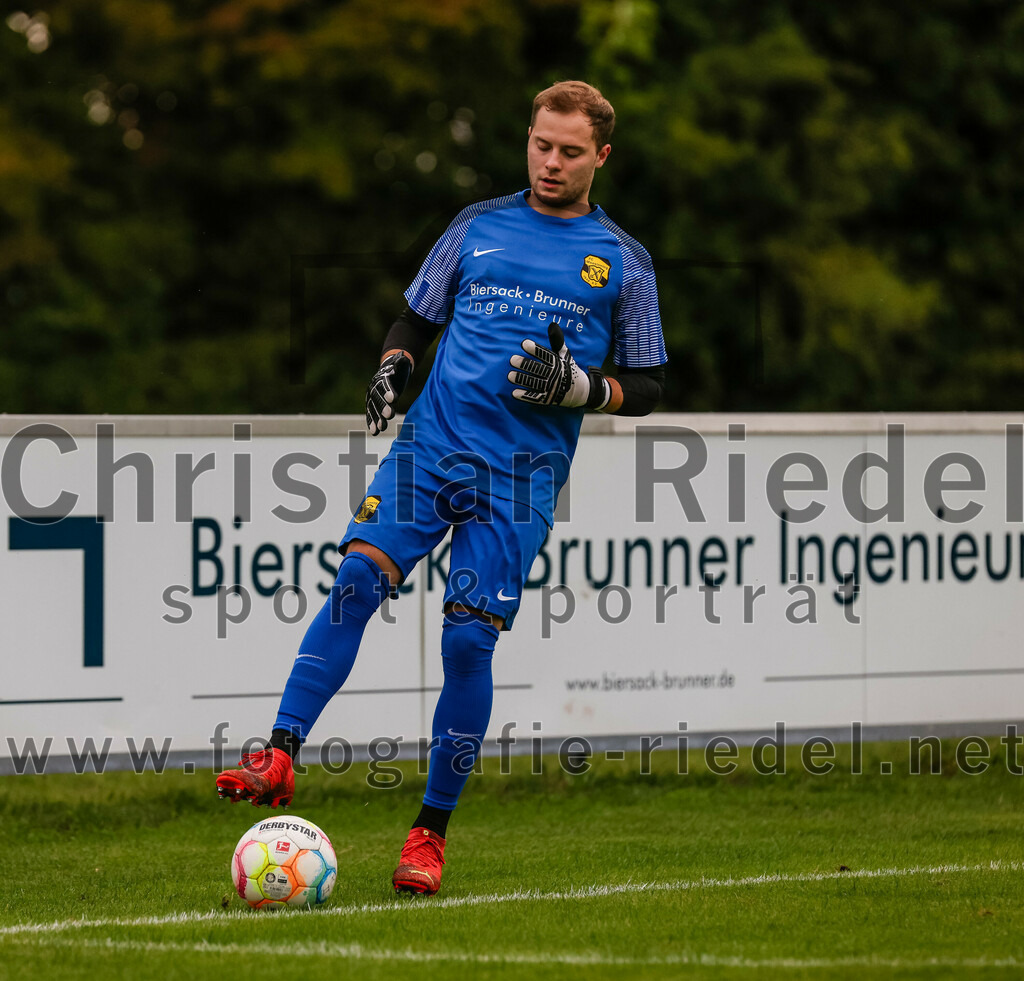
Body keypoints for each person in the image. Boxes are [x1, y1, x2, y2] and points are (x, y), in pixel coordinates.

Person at [216, 80, 668, 895]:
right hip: (431, 448)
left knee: (466, 641)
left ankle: (428, 833)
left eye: (569, 150)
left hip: (519, 478)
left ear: (601, 156)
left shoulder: (625, 262)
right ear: (527, 138)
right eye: (540, 143)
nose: (550, 161)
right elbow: (414, 320)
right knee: (356, 579)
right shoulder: (477, 226)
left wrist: (583, 390)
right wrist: (394, 365)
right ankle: (278, 752)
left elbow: (651, 382)